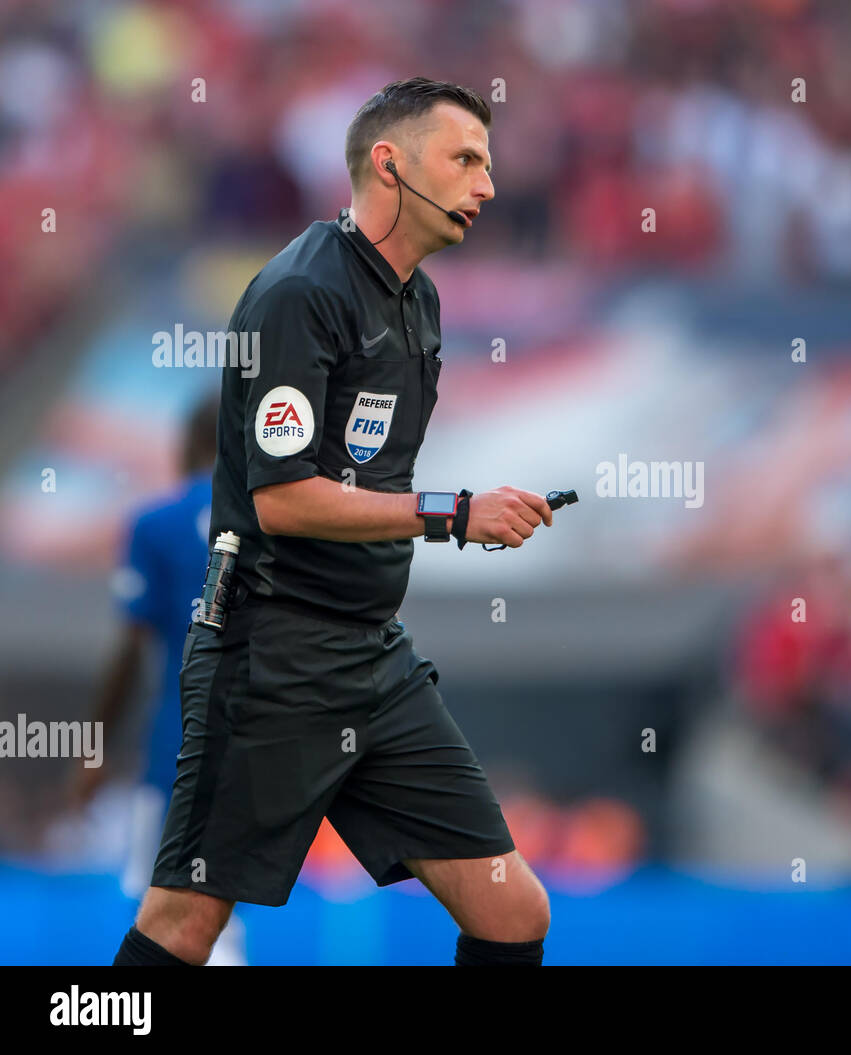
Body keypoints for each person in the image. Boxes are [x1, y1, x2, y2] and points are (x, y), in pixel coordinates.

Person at [112, 78, 554, 967]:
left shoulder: (418, 303)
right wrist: (454, 514)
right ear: (390, 165)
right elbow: (284, 497)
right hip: (270, 656)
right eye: (466, 160)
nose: (487, 186)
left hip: (372, 659)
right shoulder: (299, 293)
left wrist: (448, 512)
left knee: (514, 912)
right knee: (183, 927)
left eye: (489, 165)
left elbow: (368, 482)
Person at [74, 393, 246, 964]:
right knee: (217, 916)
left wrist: (94, 749)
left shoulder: (155, 524)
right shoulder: (272, 525)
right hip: (259, 753)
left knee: (167, 922)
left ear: (187, 446)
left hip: (179, 753)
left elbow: (130, 649)